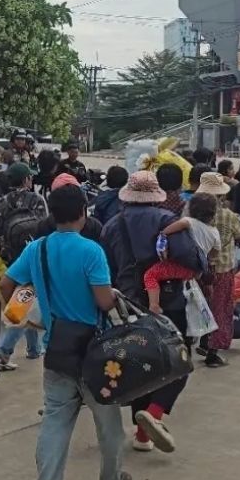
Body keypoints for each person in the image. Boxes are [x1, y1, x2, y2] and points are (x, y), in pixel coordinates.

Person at [0, 185, 132, 480]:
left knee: (55, 425)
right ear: (83, 213)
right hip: (94, 354)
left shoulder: (37, 249)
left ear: (52, 214)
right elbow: (102, 302)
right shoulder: (91, 251)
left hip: (56, 349)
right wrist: (113, 295)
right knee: (109, 425)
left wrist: (34, 315)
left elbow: (8, 286)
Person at [101, 171, 195, 454]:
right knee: (179, 358)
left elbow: (107, 268)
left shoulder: (112, 226)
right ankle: (152, 414)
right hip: (168, 302)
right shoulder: (168, 222)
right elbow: (188, 257)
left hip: (130, 304)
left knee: (141, 362)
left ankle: (142, 434)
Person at [0, 162, 49, 371]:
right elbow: (44, 229)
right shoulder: (37, 200)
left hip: (8, 260)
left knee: (25, 299)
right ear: (26, 180)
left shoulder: (1, 203)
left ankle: (34, 349)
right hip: (31, 259)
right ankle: (3, 350)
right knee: (23, 304)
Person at [196, 173, 240, 367]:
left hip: (199, 269)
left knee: (200, 306)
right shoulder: (227, 215)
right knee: (221, 307)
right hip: (223, 268)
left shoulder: (191, 214)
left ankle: (202, 340)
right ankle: (213, 351)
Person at [143, 193, 221, 317]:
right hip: (194, 272)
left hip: (178, 266)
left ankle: (154, 305)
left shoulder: (189, 221)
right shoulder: (215, 233)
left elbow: (173, 228)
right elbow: (213, 255)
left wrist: (162, 234)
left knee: (150, 275)